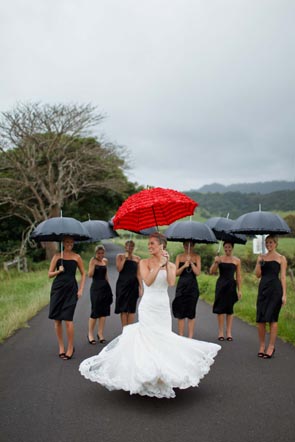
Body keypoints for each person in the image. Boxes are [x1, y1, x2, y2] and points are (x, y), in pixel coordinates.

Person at [79, 232, 221, 398]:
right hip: (148, 305)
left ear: (162, 245)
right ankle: (146, 375)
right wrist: (158, 264)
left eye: (153, 243)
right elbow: (148, 281)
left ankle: (162, 375)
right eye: (149, 243)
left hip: (162, 307)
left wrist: (166, 264)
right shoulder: (144, 262)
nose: (149, 246)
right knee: (148, 338)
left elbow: (171, 282)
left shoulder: (170, 264)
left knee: (163, 338)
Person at [48, 236, 86, 360]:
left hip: (71, 290)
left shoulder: (77, 257)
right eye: (67, 242)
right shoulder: (57, 256)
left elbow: (83, 273)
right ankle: (61, 347)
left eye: (71, 242)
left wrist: (81, 289)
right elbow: (49, 274)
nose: (69, 244)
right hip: (58, 290)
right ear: (63, 243)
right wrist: (58, 271)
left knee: (68, 320)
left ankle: (70, 347)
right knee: (57, 320)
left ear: (73, 243)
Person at [254, 234, 287, 359]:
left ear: (276, 243)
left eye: (271, 243)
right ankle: (262, 346)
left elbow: (283, 277)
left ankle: (271, 347)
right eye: (267, 243)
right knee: (261, 319)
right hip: (263, 289)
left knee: (273, 319)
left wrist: (284, 294)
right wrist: (258, 263)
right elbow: (257, 275)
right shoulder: (262, 257)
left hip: (275, 290)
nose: (268, 245)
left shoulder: (281, 258)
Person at [209, 242, 242, 342]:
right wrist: (215, 262)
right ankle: (221, 332)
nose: (227, 249)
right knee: (220, 308)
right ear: (223, 248)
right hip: (221, 284)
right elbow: (211, 272)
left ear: (232, 248)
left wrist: (239, 290)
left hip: (231, 285)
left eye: (229, 247)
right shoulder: (220, 259)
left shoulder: (237, 260)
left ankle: (228, 332)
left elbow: (239, 276)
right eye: (226, 247)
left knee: (229, 309)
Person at [172, 241, 201, 338]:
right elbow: (176, 273)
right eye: (186, 245)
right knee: (181, 311)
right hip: (182, 286)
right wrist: (184, 265)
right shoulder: (179, 257)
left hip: (192, 286)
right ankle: (180, 335)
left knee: (191, 311)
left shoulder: (197, 257)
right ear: (183, 245)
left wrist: (192, 263)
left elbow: (198, 273)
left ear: (194, 246)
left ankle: (190, 337)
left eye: (191, 245)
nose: (188, 247)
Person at [87, 245, 113, 344]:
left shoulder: (105, 261)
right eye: (98, 253)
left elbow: (106, 275)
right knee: (95, 311)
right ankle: (90, 334)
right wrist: (94, 265)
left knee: (104, 312)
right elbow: (89, 275)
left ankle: (100, 333)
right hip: (96, 288)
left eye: (102, 253)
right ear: (95, 253)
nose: (100, 255)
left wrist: (109, 287)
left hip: (105, 287)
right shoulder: (92, 261)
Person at [115, 240, 142, 327]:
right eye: (128, 246)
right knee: (123, 308)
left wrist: (141, 287)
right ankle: (124, 330)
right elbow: (119, 269)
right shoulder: (119, 256)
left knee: (131, 308)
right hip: (122, 285)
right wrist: (124, 259)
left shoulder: (137, 259)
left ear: (133, 248)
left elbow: (138, 274)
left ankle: (130, 330)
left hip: (133, 285)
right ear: (125, 247)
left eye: (131, 247)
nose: (129, 248)